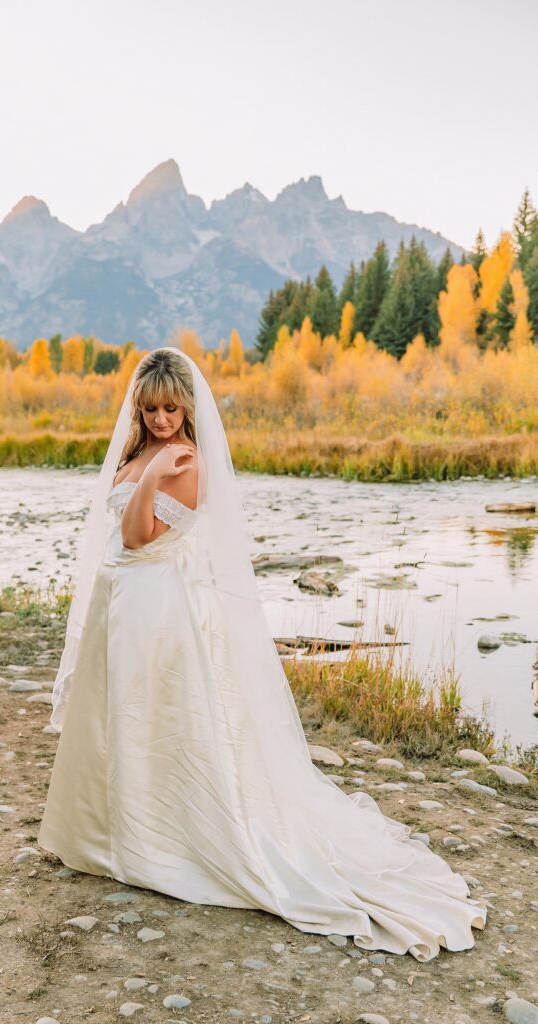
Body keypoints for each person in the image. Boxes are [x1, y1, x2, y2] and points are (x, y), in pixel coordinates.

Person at [37, 346, 488, 962]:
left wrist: (151, 474)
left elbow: (139, 537)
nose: (162, 419)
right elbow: (116, 530)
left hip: (157, 605)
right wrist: (142, 466)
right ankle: (107, 831)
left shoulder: (185, 464)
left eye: (172, 408)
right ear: (137, 408)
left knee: (154, 715)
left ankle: (159, 839)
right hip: (120, 599)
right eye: (151, 409)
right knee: (115, 715)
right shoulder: (140, 451)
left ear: (188, 409)